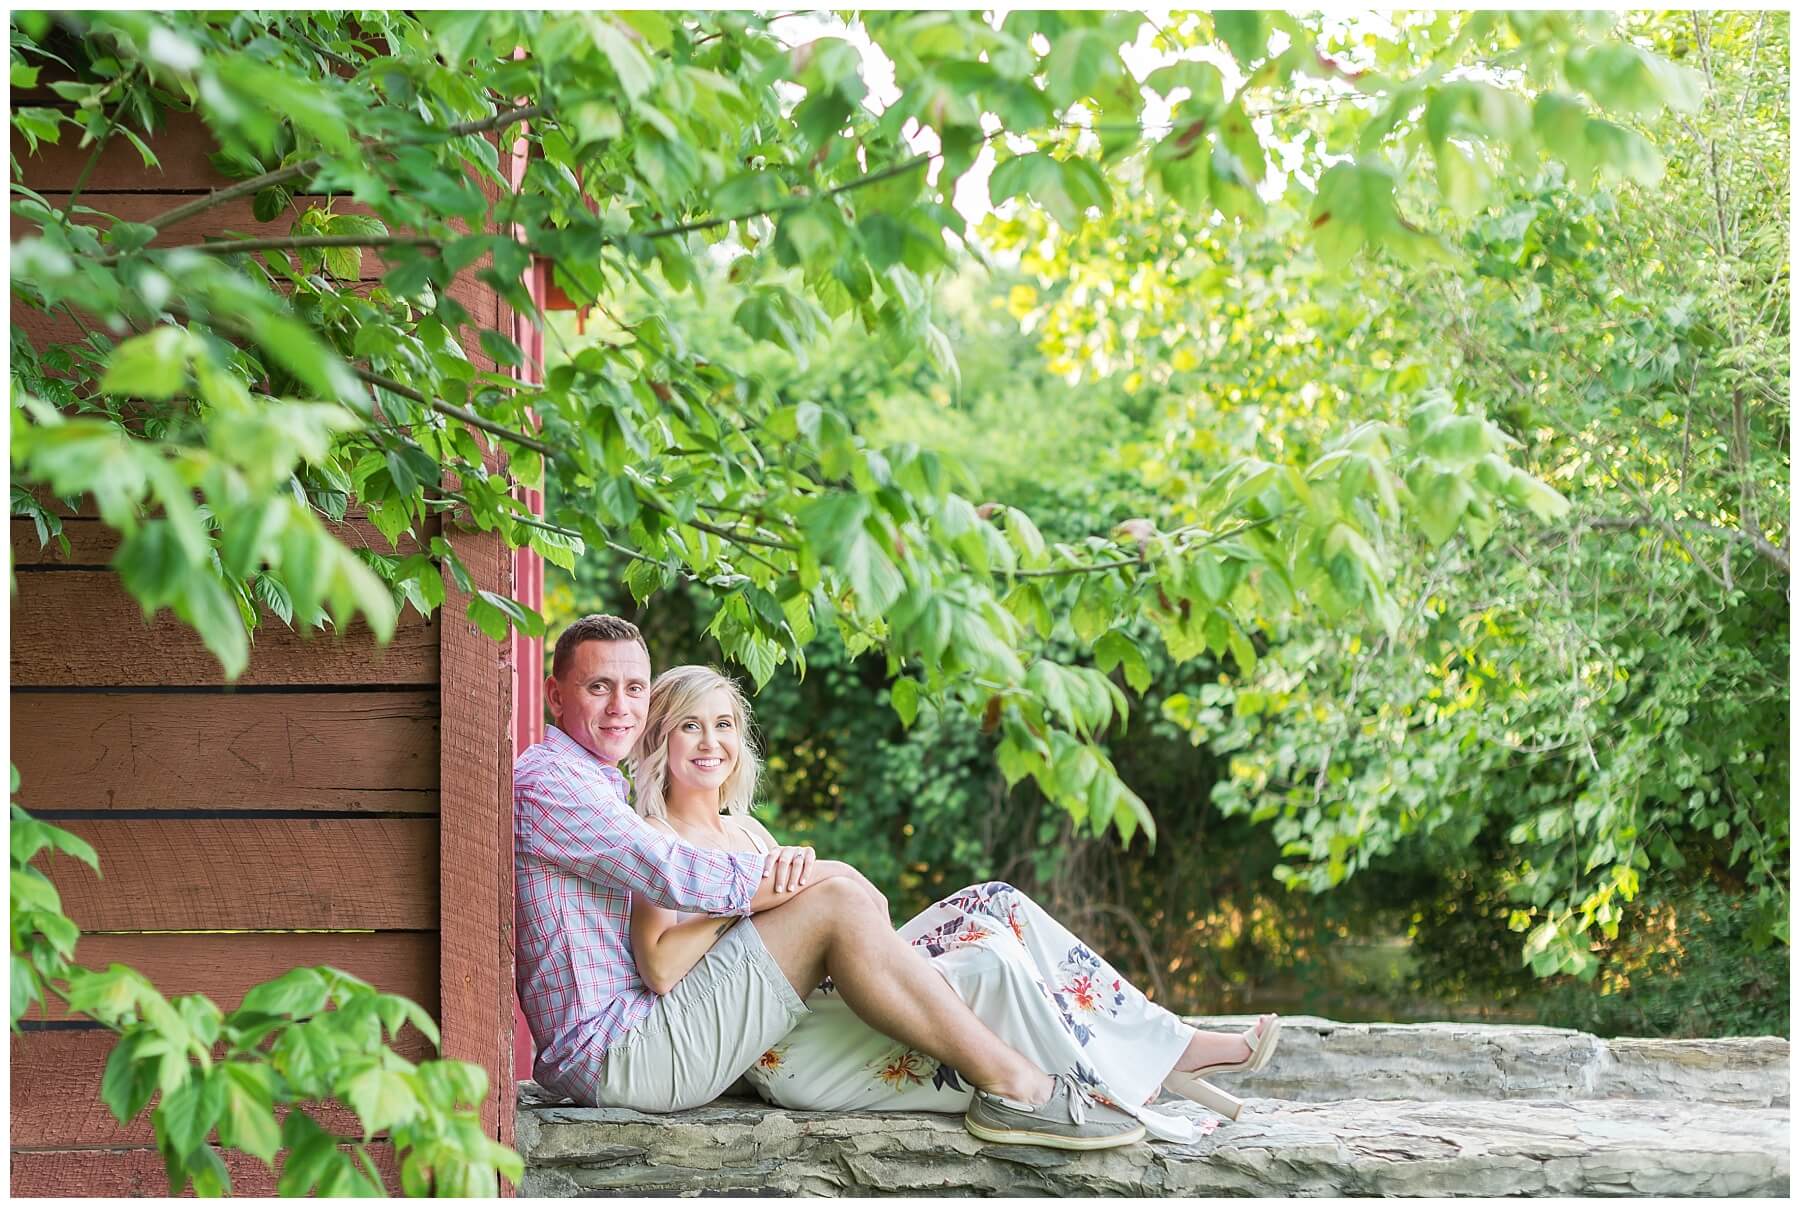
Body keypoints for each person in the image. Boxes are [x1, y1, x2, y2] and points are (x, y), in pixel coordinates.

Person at [514, 615, 1150, 1150]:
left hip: (636, 1041)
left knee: (970, 914)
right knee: (839, 900)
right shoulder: (554, 784)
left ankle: (1100, 1068)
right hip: (619, 1054)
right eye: (599, 686)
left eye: (633, 688)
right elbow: (671, 873)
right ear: (555, 694)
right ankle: (1022, 1090)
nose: (620, 706)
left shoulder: (599, 783)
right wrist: (825, 875)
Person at [626, 663, 1282, 1144]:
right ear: (660, 738)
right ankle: (1099, 1088)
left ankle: (1172, 1044)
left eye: (724, 725)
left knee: (995, 903)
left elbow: (832, 926)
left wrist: (796, 896)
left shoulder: (744, 829)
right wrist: (747, 903)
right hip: (783, 1046)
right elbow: (658, 966)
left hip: (823, 995)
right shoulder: (658, 837)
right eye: (690, 726)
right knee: (989, 963)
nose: (711, 742)